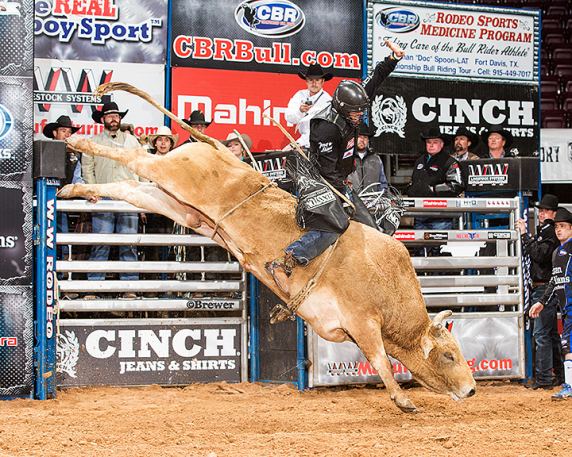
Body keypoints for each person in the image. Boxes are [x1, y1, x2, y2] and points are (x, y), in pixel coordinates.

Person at [265, 40, 405, 298]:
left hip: (339, 177)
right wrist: (345, 196)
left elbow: (373, 81)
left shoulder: (350, 102)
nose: (359, 116)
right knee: (335, 224)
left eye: (361, 111)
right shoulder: (325, 128)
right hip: (317, 180)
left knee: (371, 228)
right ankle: (288, 259)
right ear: (342, 110)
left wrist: (392, 60)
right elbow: (328, 171)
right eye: (355, 113)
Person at [82, 102, 141, 298]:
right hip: (104, 196)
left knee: (129, 243)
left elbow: (141, 167)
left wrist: (141, 194)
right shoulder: (93, 141)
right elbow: (87, 168)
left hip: (128, 196)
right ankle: (94, 287)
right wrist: (93, 190)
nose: (114, 118)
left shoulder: (132, 141)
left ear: (120, 118)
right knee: (101, 242)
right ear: (102, 119)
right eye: (110, 116)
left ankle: (129, 288)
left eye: (116, 115)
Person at [516, 194, 563, 389]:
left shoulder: (550, 232)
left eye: (545, 210)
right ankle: (560, 375)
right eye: (540, 210)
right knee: (550, 335)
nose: (542, 213)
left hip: (544, 287)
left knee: (542, 334)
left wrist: (525, 235)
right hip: (544, 286)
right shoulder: (548, 231)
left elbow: (539, 255)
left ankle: (544, 379)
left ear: (553, 213)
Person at [529, 207, 572, 400]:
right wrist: (541, 302)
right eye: (557, 227)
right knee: (566, 345)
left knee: (567, 345)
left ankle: (569, 385)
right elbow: (554, 281)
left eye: (563, 227)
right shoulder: (557, 253)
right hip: (566, 308)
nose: (559, 230)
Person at [407, 127, 464, 230]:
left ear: (442, 144)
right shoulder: (419, 161)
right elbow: (413, 181)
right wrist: (411, 189)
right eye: (428, 142)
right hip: (420, 212)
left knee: (440, 245)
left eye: (435, 142)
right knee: (420, 245)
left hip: (441, 214)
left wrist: (433, 189)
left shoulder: (450, 162)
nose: (431, 145)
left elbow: (457, 185)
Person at [285, 63, 333, 149]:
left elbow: (320, 131)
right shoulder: (300, 95)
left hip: (320, 145)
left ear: (322, 81)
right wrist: (300, 111)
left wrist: (299, 144)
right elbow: (289, 118)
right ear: (306, 81)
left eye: (317, 80)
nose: (314, 83)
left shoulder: (327, 101)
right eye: (311, 80)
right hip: (303, 142)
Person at [347, 121, 388, 193]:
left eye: (365, 137)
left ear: (368, 140)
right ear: (353, 138)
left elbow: (382, 184)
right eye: (359, 137)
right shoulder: (346, 157)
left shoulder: (376, 159)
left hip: (372, 201)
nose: (362, 140)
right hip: (351, 202)